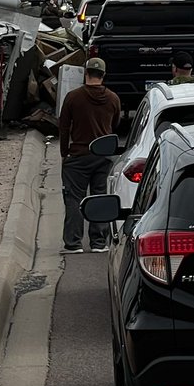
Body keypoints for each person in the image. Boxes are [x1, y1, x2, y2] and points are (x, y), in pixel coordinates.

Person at [57, 57, 122, 255]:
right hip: (103, 156)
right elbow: (116, 125)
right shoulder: (113, 98)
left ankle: (74, 243)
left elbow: (64, 126)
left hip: (78, 155)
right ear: (103, 75)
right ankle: (98, 242)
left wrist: (64, 153)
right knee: (99, 197)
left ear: (86, 74)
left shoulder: (73, 97)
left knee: (74, 198)